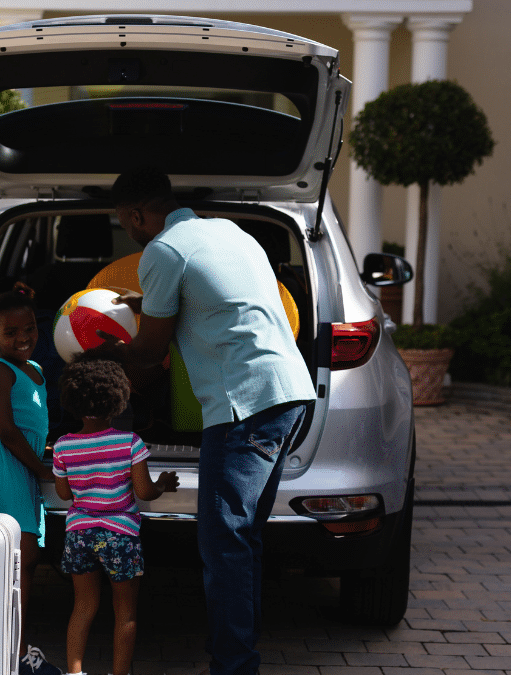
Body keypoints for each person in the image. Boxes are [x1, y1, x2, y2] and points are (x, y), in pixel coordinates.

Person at [99, 167, 316, 675]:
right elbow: (212, 303)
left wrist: (101, 356)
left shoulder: (163, 251)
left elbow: (152, 349)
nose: (128, 232)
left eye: (124, 222)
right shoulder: (227, 232)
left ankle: (233, 666)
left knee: (223, 543)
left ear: (136, 215)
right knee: (242, 541)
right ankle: (237, 658)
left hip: (245, 406)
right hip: (289, 393)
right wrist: (143, 306)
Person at [51, 356, 179, 675]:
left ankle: (75, 671)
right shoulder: (130, 443)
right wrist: (162, 484)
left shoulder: (63, 446)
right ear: (118, 401)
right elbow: (144, 492)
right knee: (125, 611)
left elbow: (65, 494)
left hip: (79, 534)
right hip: (119, 535)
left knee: (83, 606)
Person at [0, 283, 63, 675]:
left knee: (25, 556)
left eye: (29, 331)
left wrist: (46, 456)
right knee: (17, 558)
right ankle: (12, 655)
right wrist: (41, 470)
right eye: (11, 333)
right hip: (4, 464)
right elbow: (6, 429)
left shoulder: (35, 370)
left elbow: (30, 424)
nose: (23, 339)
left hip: (22, 464)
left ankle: (12, 651)